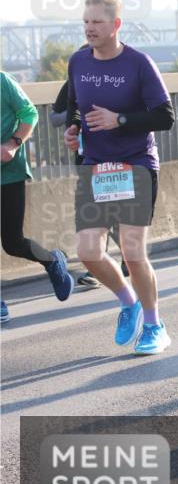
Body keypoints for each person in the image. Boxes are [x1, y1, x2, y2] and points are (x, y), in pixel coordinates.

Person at [63, 0, 176, 354]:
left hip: (135, 164)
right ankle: (128, 302)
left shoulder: (138, 63)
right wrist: (73, 130)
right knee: (88, 252)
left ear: (115, 25)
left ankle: (155, 325)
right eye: (85, 22)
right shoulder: (78, 61)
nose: (89, 28)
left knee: (132, 252)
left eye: (96, 21)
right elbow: (74, 107)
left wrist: (120, 120)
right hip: (96, 167)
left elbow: (165, 116)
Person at [1, 71, 74, 323]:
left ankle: (53, 260)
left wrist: (12, 143)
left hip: (8, 173)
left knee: (12, 243)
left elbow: (29, 113)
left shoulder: (2, 81)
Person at [51, 68, 129, 288]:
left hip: (117, 155)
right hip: (86, 159)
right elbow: (54, 117)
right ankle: (97, 268)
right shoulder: (75, 81)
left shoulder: (119, 78)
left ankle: (127, 257)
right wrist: (76, 117)